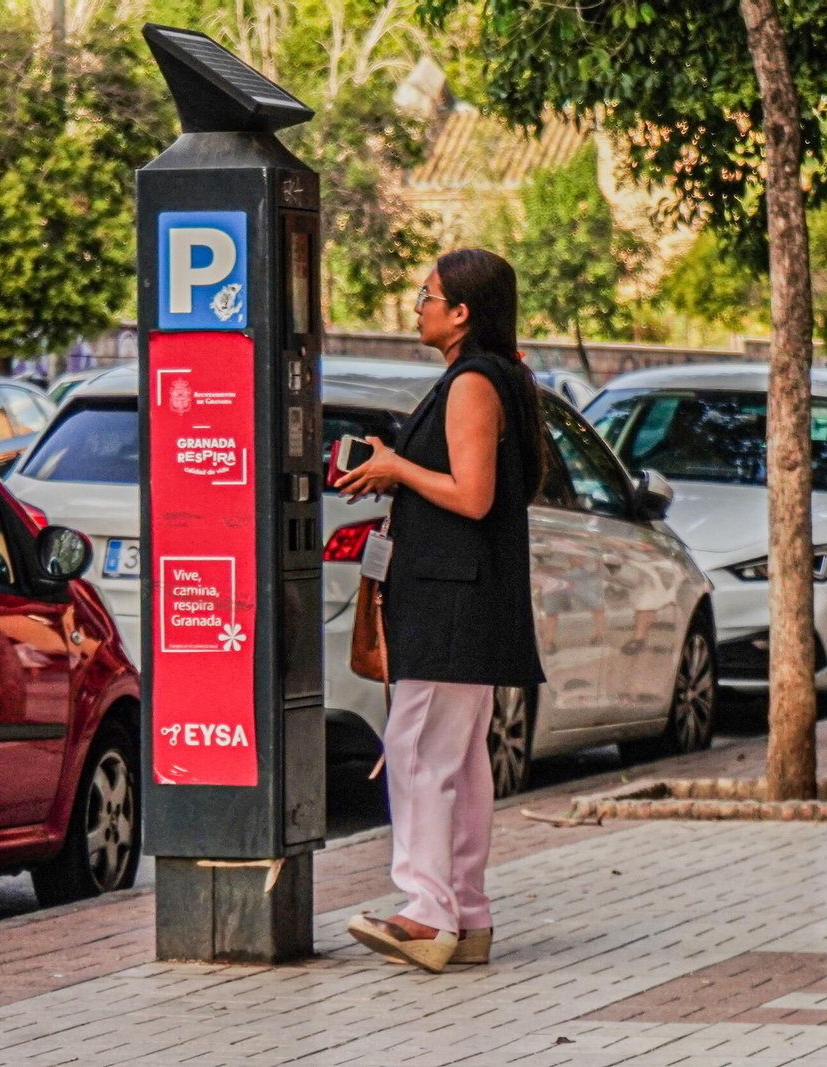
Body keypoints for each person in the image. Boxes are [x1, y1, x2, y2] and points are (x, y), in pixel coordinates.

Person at [336, 248, 547, 972]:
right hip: (467, 596)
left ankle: (426, 914)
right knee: (457, 760)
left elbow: (473, 495)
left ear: (461, 312)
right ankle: (466, 912)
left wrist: (397, 466)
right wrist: (395, 465)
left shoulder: (474, 384)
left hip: (453, 598)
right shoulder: (495, 378)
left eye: (426, 294)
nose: (416, 305)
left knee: (419, 750)